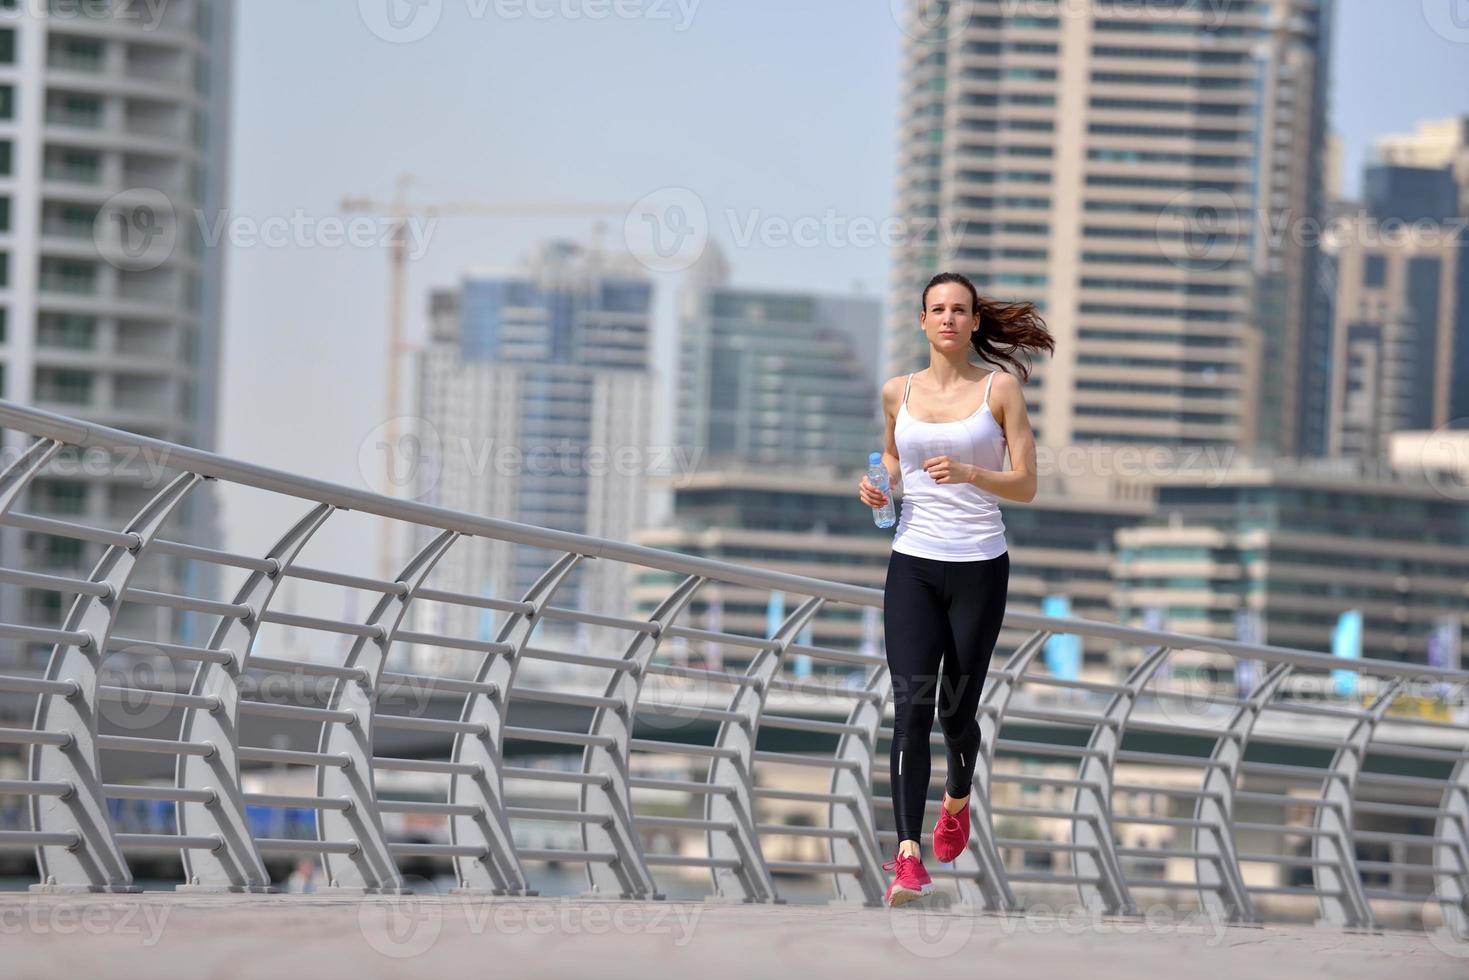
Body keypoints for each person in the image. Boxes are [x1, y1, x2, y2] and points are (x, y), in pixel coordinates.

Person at [857, 271, 1053, 906]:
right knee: (910, 709)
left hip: (979, 565)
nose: (948, 318)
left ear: (973, 323)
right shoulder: (897, 392)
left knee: (955, 712)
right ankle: (907, 857)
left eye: (959, 310)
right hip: (912, 561)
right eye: (936, 309)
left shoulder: (1002, 390)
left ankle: (958, 799)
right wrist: (878, 486)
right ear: (921, 321)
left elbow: (1026, 484)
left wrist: (972, 471)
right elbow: (891, 459)